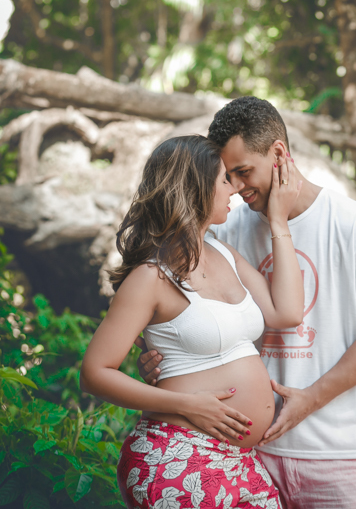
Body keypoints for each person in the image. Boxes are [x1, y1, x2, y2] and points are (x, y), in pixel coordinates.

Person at [138, 97, 356, 509]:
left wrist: (310, 399)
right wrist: (159, 355)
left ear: (279, 153)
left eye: (244, 172)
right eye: (228, 176)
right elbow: (179, 312)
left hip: (333, 453)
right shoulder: (225, 229)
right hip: (242, 456)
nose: (237, 188)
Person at [81, 134, 305, 509]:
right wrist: (186, 404)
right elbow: (95, 372)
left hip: (241, 464)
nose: (233, 188)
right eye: (222, 179)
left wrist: (278, 221)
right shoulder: (151, 277)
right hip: (177, 455)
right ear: (196, 189)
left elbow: (287, 312)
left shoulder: (223, 252)